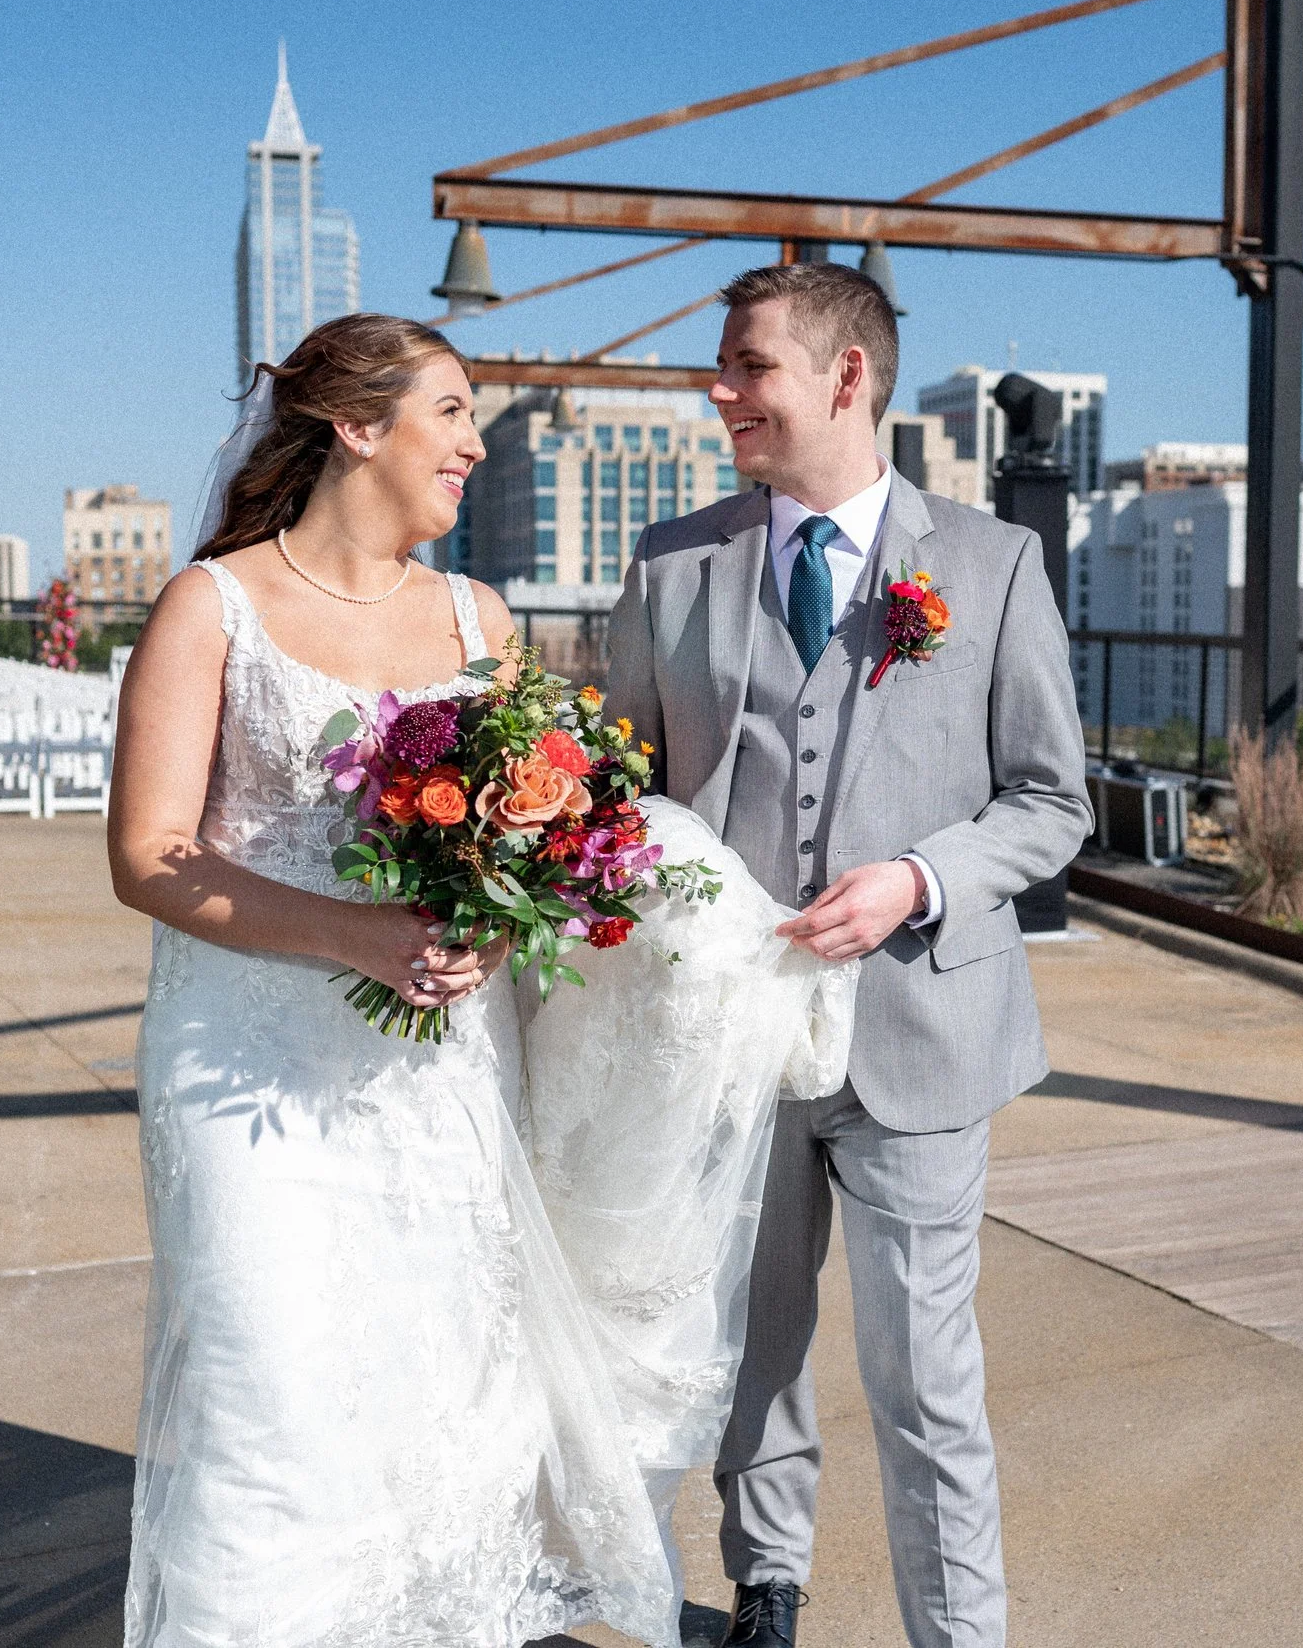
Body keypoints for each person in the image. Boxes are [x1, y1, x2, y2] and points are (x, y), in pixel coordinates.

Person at [109, 313, 844, 1647]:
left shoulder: (476, 617)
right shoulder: (209, 606)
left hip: (436, 1071)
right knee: (270, 1389)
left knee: (425, 1396)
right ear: (356, 425)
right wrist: (359, 935)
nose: (476, 441)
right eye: (451, 411)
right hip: (245, 1066)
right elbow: (150, 857)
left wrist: (497, 926)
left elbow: (539, 844)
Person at [607, 263, 1093, 1648]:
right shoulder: (672, 563)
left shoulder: (993, 566)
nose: (721, 389)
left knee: (926, 1376)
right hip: (729, 1036)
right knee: (750, 1347)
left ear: (844, 378)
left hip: (921, 1032)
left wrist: (922, 878)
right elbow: (616, 792)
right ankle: (768, 1587)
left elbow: (1053, 803)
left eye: (747, 365)